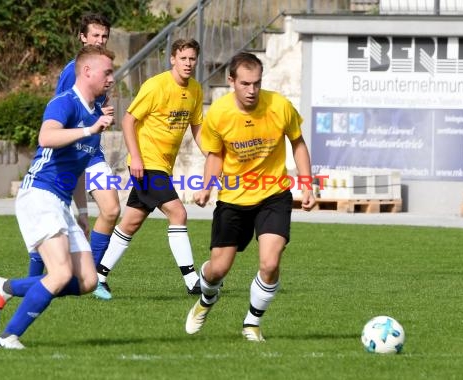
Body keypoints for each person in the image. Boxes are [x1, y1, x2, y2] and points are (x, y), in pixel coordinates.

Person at [0, 45, 116, 349]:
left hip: (60, 202)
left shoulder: (95, 115)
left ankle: (4, 287)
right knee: (59, 274)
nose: (112, 78)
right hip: (39, 194)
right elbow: (46, 137)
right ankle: (7, 338)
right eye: (107, 72)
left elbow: (79, 168)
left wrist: (83, 211)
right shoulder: (65, 103)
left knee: (88, 281)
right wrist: (88, 130)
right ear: (87, 72)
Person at [184, 52, 316, 342]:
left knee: (270, 263)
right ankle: (207, 299)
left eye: (256, 83)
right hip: (233, 199)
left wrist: (307, 184)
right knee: (217, 269)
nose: (252, 90)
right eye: (245, 84)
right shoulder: (218, 114)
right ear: (231, 81)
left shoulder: (279, 106)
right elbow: (215, 155)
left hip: (274, 193)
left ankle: (252, 323)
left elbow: (298, 142)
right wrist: (207, 185)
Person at [94, 38, 205, 299]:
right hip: (147, 165)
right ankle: (192, 280)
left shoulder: (196, 90)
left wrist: (214, 157)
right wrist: (136, 157)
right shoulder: (156, 85)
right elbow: (128, 119)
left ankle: (99, 276)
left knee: (131, 222)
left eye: (192, 59)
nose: (188, 63)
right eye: (183, 58)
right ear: (173, 59)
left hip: (162, 167)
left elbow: (198, 129)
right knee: (178, 213)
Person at [28, 13, 121, 302]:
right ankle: (33, 281)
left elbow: (92, 109)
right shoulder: (76, 69)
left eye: (104, 36)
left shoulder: (104, 71)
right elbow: (61, 112)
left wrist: (101, 119)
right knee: (49, 218)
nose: (100, 40)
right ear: (82, 37)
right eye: (94, 36)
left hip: (92, 151)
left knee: (111, 209)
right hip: (70, 152)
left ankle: (94, 275)